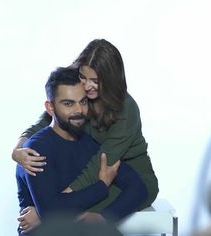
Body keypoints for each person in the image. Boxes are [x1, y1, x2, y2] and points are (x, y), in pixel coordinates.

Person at [13, 38, 158, 219]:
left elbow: (101, 163)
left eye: (95, 80)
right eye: (83, 77)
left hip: (129, 178)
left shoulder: (126, 109)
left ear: (110, 79)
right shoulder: (83, 95)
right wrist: (18, 150)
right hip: (98, 174)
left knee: (74, 215)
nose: (87, 85)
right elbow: (48, 120)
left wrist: (49, 211)